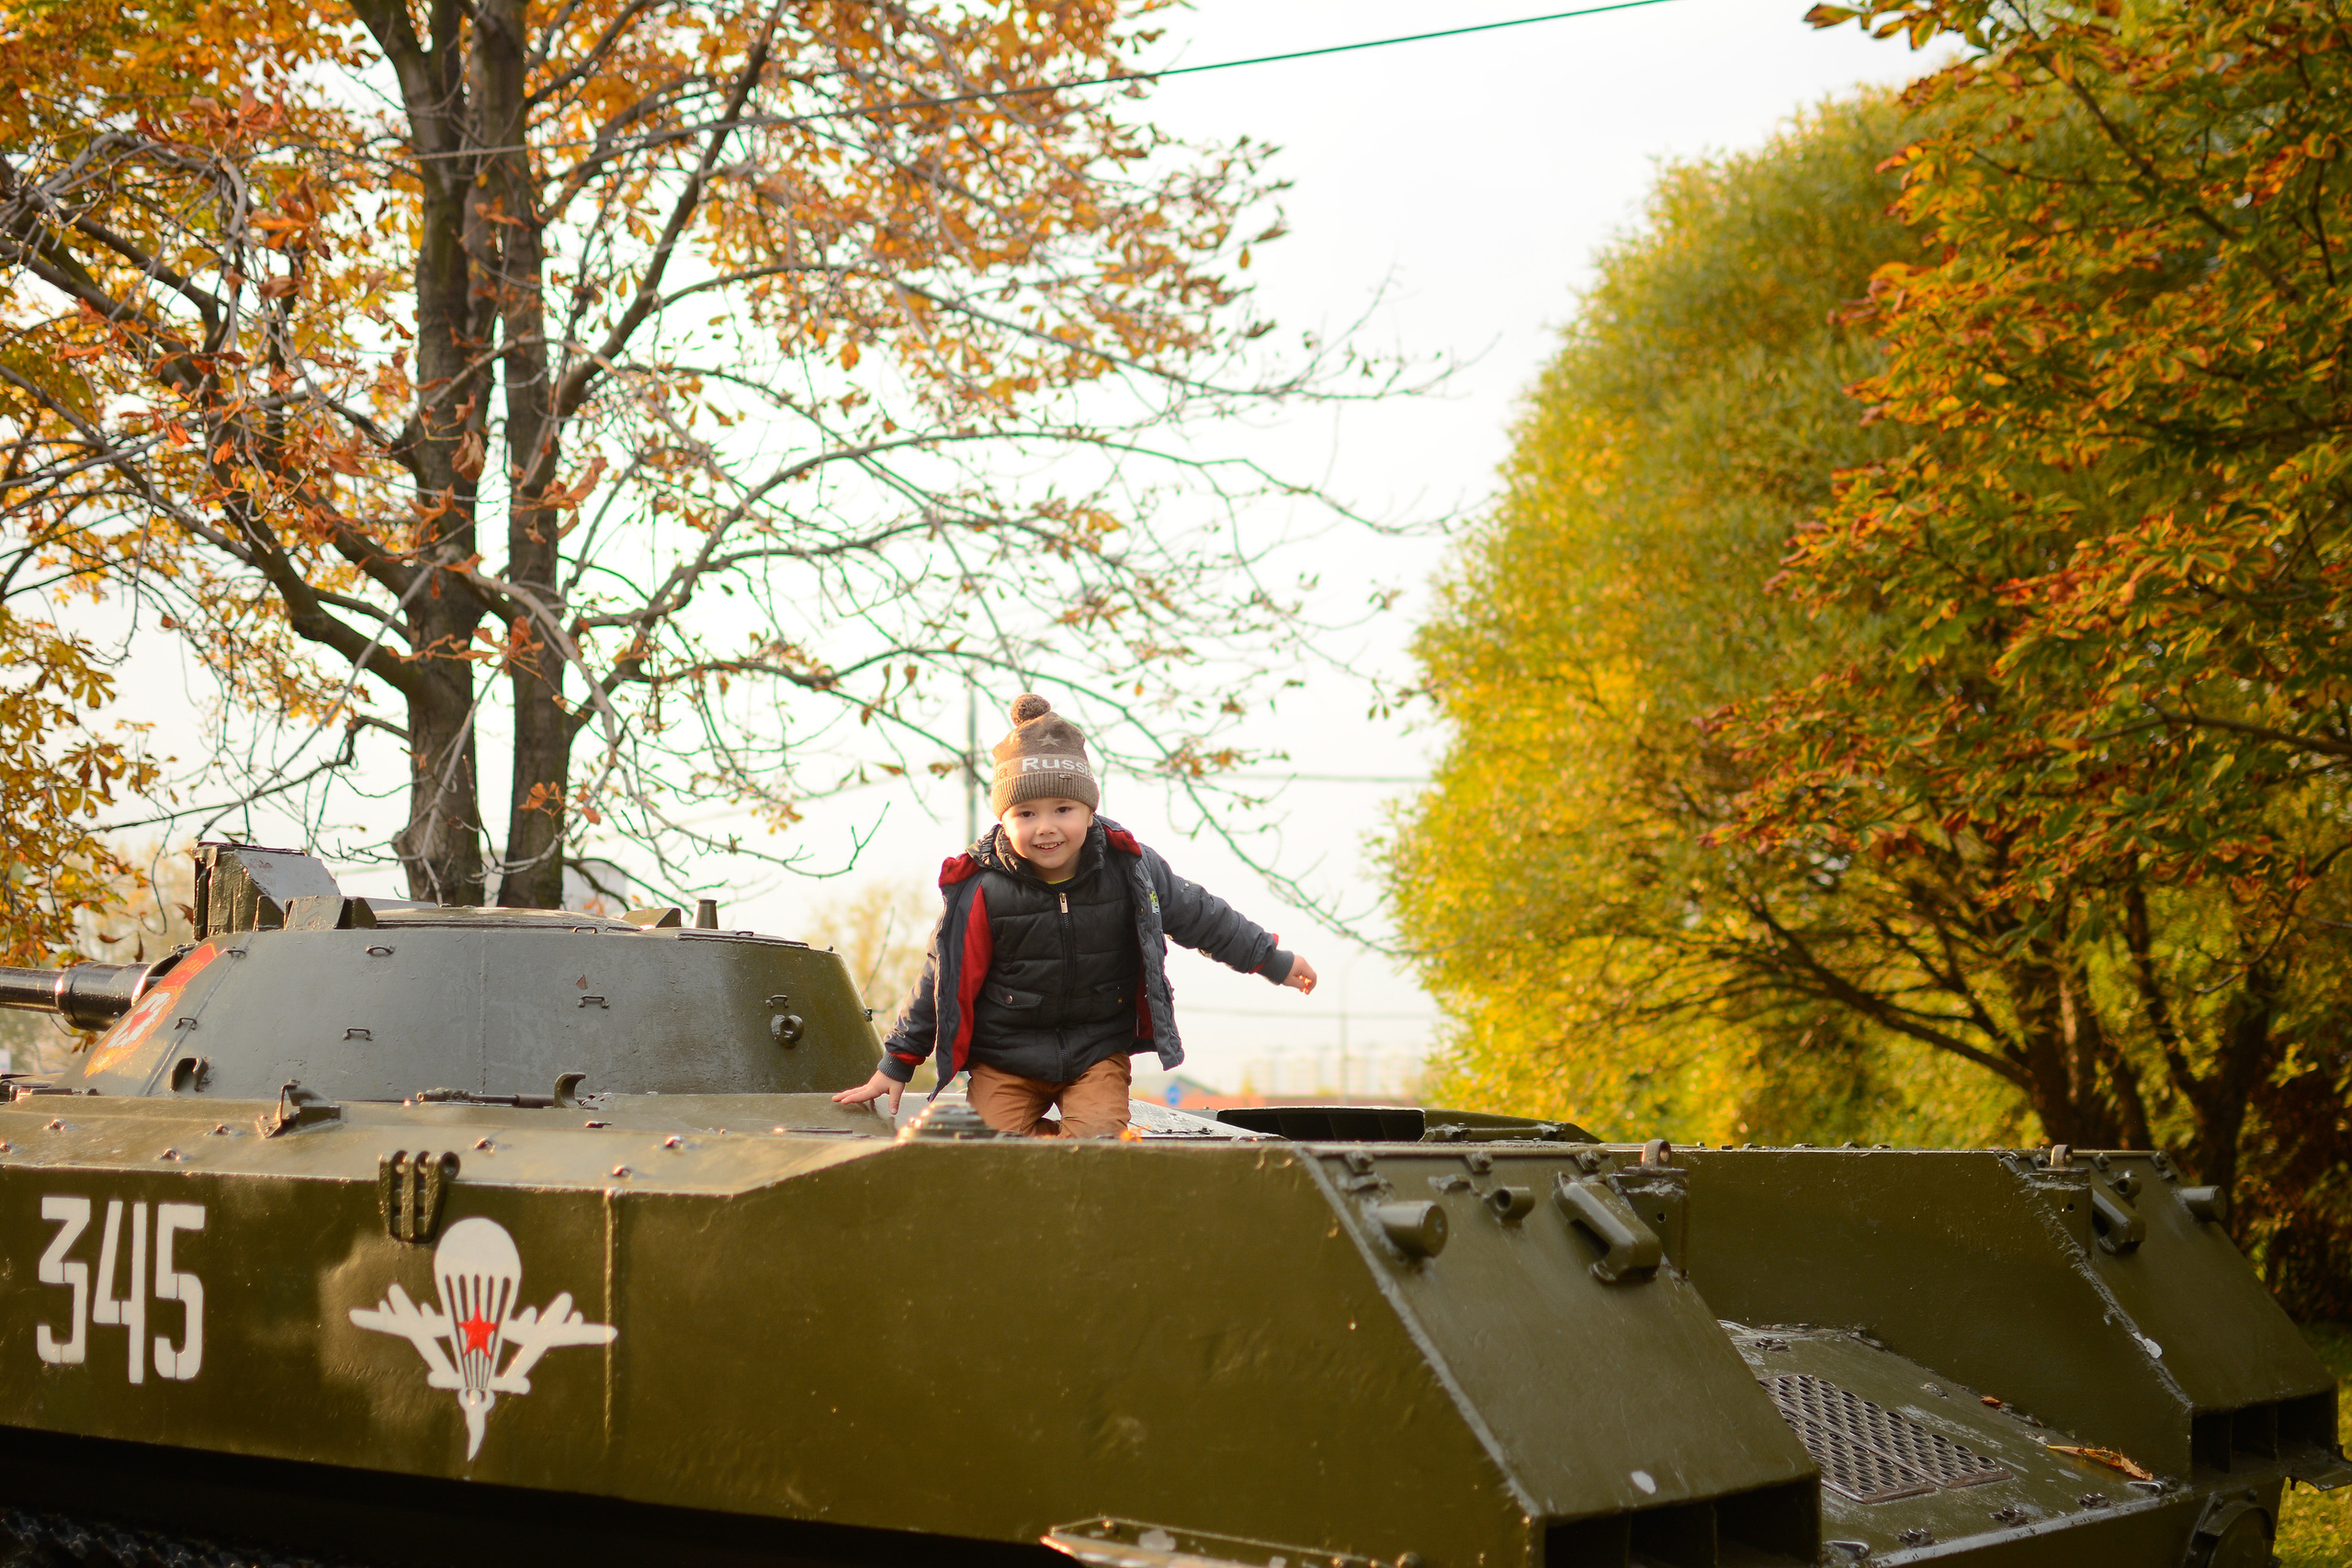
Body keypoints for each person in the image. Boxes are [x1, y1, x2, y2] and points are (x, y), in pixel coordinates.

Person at [832, 693, 1317, 1137]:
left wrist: (1271, 959)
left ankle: (1074, 1158)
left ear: (1089, 812)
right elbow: (941, 975)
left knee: (1098, 1145)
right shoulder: (983, 887)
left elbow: (1201, 916)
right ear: (1003, 819)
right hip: (1005, 1056)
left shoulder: (1131, 869)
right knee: (982, 1151)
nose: (1046, 828)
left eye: (1062, 808)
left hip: (1095, 1051)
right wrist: (897, 1061)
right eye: (1025, 814)